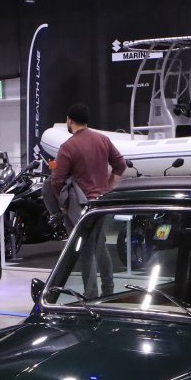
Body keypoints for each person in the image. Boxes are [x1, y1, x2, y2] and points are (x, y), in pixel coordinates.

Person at [46, 104, 125, 297]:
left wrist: (63, 206)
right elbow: (120, 165)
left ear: (70, 120)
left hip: (83, 207)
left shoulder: (68, 147)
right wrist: (108, 186)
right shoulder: (103, 139)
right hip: (103, 204)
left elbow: (56, 181)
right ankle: (108, 289)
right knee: (101, 246)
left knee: (87, 251)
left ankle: (91, 296)